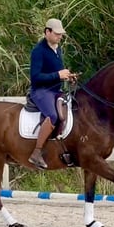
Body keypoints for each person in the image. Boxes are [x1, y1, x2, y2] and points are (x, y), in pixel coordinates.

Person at [28, 18, 73, 169]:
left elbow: (56, 72)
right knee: (53, 115)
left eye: (61, 34)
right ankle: (36, 152)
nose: (60, 37)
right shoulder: (38, 51)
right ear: (47, 32)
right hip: (41, 91)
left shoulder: (57, 49)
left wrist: (67, 77)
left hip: (55, 90)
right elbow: (35, 78)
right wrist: (58, 75)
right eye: (57, 34)